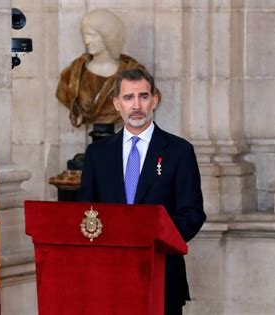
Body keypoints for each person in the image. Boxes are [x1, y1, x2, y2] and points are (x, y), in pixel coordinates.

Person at [78, 68, 206, 315]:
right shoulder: (97, 154)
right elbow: (87, 212)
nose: (136, 105)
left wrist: (155, 240)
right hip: (109, 277)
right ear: (117, 103)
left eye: (143, 96)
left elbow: (192, 213)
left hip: (162, 273)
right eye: (128, 98)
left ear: (154, 100)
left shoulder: (179, 151)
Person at [56, 9, 159, 127]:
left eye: (92, 36)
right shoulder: (71, 76)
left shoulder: (136, 74)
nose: (87, 41)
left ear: (108, 37)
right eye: (84, 35)